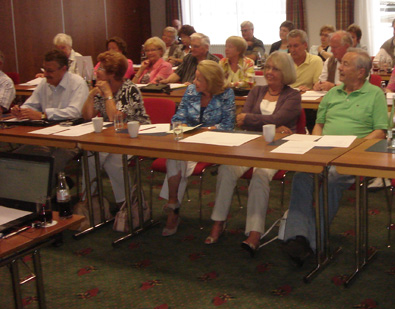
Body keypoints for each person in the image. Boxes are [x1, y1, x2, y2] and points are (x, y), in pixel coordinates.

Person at [282, 49, 388, 266]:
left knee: (331, 179)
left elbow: (380, 131)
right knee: (302, 175)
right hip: (325, 150)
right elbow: (319, 124)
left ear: (361, 72)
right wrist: (315, 144)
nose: (340, 67)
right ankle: (298, 236)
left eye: (346, 64)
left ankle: (313, 240)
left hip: (355, 155)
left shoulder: (375, 94)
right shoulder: (332, 93)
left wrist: (353, 149)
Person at [205, 52, 301, 254]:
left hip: (277, 148)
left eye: (275, 69)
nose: (269, 72)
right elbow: (242, 120)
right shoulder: (257, 91)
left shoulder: (293, 95)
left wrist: (252, 119)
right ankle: (218, 222)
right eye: (267, 67)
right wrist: (270, 124)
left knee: (260, 175)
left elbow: (276, 118)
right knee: (226, 169)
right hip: (250, 144)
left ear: (285, 72)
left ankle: (255, 232)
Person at [159, 60, 236, 236]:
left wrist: (202, 130)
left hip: (215, 146)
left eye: (199, 79)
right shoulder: (191, 91)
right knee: (176, 156)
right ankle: (173, 204)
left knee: (179, 159)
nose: (194, 82)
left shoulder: (226, 94)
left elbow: (228, 125)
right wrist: (184, 126)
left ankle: (173, 209)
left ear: (210, 80)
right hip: (190, 143)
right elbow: (177, 118)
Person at [82, 51, 150, 205]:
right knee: (90, 155)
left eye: (101, 68)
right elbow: (87, 116)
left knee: (113, 159)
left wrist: (107, 95)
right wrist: (91, 95)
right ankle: (89, 200)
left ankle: (126, 203)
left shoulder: (129, 89)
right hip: (111, 136)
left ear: (112, 73)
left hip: (136, 135)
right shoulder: (101, 88)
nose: (96, 71)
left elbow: (116, 119)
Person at [11, 49, 88, 179]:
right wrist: (21, 110)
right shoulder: (44, 83)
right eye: (44, 70)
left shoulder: (77, 83)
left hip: (71, 139)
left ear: (64, 69)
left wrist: (43, 115)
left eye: (50, 71)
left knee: (49, 164)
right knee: (17, 158)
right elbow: (31, 104)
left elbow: (75, 112)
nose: (46, 74)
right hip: (45, 136)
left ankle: (47, 187)